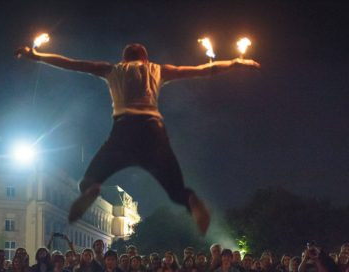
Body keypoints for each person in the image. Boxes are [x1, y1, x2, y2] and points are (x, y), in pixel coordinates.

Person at [15, 43, 260, 235]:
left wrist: (36, 55)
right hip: (153, 129)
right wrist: (237, 62)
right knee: (175, 189)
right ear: (145, 58)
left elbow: (71, 63)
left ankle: (92, 189)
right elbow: (202, 70)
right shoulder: (158, 69)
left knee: (87, 181)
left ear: (124, 59)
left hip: (123, 129)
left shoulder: (112, 69)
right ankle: (191, 200)